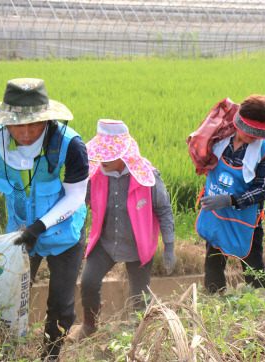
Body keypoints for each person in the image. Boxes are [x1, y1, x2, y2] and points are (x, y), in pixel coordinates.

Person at [0, 78, 89, 360]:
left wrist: (40, 227)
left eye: (34, 124)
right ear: (5, 120)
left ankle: (51, 354)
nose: (25, 132)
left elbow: (76, 197)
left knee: (61, 305)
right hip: (20, 233)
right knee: (7, 295)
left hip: (64, 234)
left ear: (47, 120)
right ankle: (9, 351)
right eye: (17, 124)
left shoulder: (69, 145)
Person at [77, 119, 176, 340]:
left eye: (107, 156)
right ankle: (90, 325)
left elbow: (164, 209)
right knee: (88, 282)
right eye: (100, 154)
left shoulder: (147, 177)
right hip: (105, 242)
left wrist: (169, 245)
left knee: (139, 298)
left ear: (123, 155)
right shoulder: (96, 174)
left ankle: (138, 335)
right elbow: (79, 205)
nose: (101, 160)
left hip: (138, 245)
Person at [195, 94, 265, 296]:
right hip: (216, 214)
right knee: (213, 264)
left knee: (253, 267)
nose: (253, 136)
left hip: (246, 219)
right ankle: (216, 303)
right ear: (238, 122)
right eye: (250, 131)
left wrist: (230, 200)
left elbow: (264, 189)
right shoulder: (219, 137)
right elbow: (202, 157)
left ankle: (260, 310)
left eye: (259, 133)